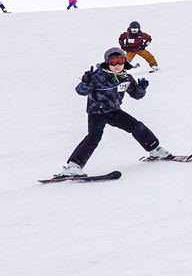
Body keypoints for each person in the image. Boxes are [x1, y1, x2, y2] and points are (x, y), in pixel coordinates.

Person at [53, 47, 172, 178]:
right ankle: (73, 167)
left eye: (120, 61)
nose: (117, 65)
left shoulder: (126, 77)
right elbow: (81, 91)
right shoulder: (98, 75)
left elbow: (136, 95)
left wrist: (142, 88)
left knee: (137, 126)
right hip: (97, 112)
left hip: (114, 111)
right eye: (113, 61)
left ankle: (155, 149)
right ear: (107, 62)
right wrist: (86, 81)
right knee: (94, 137)